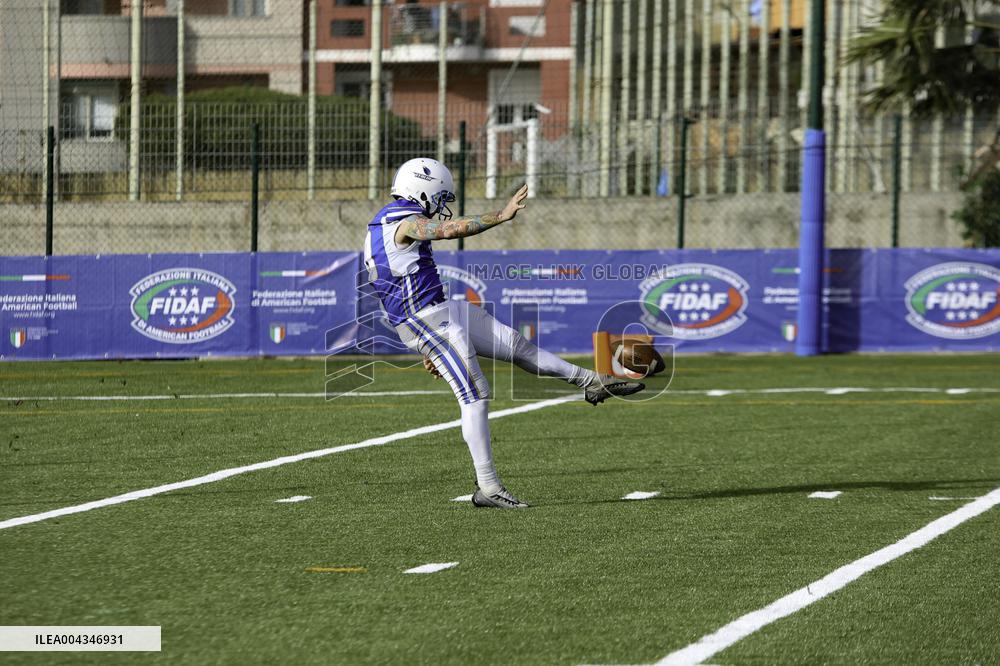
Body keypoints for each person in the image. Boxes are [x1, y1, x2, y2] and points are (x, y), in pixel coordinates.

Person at [363, 157, 645, 509]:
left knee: (516, 345)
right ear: (423, 189)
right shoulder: (401, 221)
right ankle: (489, 487)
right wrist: (501, 214)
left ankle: (592, 382)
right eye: (441, 196)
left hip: (437, 311)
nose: (442, 205)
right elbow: (448, 230)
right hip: (428, 319)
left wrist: (427, 345)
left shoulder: (385, 222)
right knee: (475, 394)